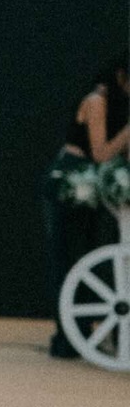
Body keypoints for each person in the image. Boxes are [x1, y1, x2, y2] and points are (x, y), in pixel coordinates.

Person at [46, 49, 130, 356]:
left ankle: (92, 332)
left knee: (90, 254)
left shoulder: (119, 105)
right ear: (121, 76)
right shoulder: (96, 101)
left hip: (92, 185)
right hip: (71, 179)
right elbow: (100, 153)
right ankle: (68, 338)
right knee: (68, 257)